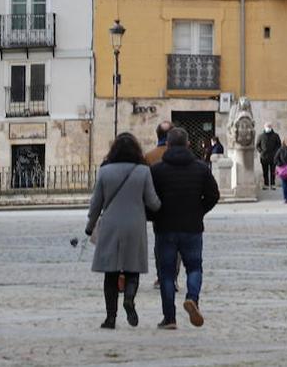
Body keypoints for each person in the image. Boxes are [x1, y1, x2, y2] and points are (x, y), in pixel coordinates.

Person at [85, 133, 160, 329]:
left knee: (110, 273)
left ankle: (110, 318)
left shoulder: (105, 172)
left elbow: (96, 203)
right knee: (132, 268)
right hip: (135, 224)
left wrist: (90, 225)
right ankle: (128, 298)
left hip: (110, 224)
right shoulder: (143, 171)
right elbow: (153, 202)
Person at [149, 126, 220, 329]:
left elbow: (149, 199)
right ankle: (192, 299)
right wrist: (200, 211)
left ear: (168, 145)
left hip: (165, 227)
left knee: (167, 273)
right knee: (195, 267)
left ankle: (169, 318)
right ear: (188, 144)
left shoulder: (157, 170)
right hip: (192, 227)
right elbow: (214, 195)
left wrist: (155, 216)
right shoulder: (200, 168)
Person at [256, 122, 281, 190]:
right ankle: (266, 184)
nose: (268, 127)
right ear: (264, 127)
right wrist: (261, 151)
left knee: (273, 171)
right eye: (267, 126)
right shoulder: (261, 136)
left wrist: (275, 152)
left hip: (273, 157)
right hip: (264, 157)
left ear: (271, 127)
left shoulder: (275, 135)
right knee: (265, 171)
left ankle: (273, 184)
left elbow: (278, 145)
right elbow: (257, 145)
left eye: (269, 126)